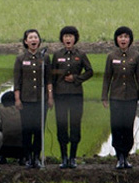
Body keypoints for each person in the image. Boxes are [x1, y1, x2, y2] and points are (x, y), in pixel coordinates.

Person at [49, 25, 93, 169]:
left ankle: (73, 157)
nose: (68, 39)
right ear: (62, 39)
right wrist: (51, 95)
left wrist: (76, 78)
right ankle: (64, 157)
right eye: (66, 36)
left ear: (75, 39)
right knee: (61, 125)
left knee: (75, 125)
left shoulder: (80, 54)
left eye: (71, 36)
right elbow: (52, 75)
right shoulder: (57, 55)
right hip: (60, 95)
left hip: (75, 95)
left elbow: (89, 71)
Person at [101, 26, 139, 170]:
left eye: (126, 36)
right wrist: (104, 96)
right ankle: (119, 157)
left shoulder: (136, 56)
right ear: (116, 39)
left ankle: (126, 155)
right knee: (117, 127)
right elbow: (107, 78)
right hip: (116, 98)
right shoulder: (111, 56)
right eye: (120, 37)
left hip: (131, 97)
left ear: (130, 39)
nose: (123, 39)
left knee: (128, 126)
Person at [14, 29, 52, 169]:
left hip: (41, 100)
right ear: (25, 41)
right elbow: (17, 81)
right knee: (27, 130)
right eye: (30, 37)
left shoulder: (45, 58)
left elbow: (49, 79)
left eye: (35, 37)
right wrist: (17, 99)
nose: (33, 40)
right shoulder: (20, 58)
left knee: (38, 130)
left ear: (39, 40)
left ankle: (37, 156)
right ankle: (28, 157)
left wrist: (50, 97)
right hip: (26, 100)